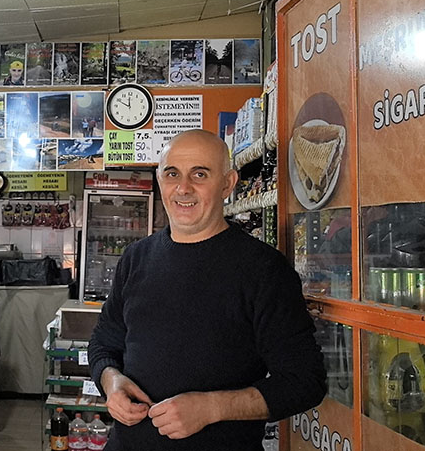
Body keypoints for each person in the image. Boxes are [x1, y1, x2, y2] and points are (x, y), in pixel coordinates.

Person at [88, 129, 325, 450]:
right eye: (172, 174)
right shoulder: (135, 258)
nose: (183, 188)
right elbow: (104, 342)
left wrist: (212, 408)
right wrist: (111, 381)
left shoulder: (264, 269)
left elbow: (305, 381)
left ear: (228, 183)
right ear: (160, 180)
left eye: (199, 174)